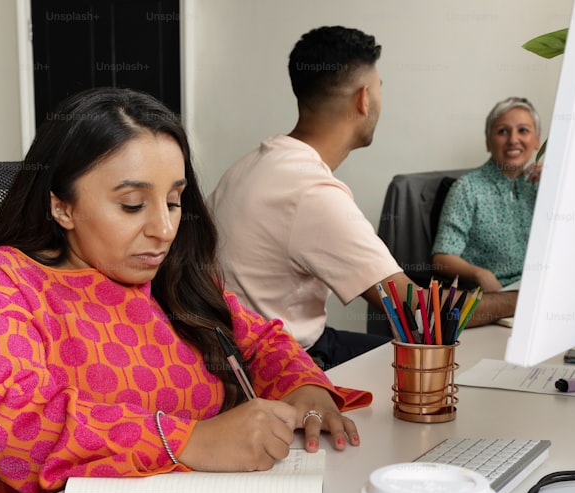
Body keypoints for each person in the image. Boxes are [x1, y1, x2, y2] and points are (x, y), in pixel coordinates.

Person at [0, 87, 372, 493]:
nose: (163, 229)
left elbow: (261, 342)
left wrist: (306, 388)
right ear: (62, 206)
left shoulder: (171, 281)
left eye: (173, 202)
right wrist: (191, 441)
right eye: (133, 205)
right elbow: (11, 422)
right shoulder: (0, 281)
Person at [209, 26, 516, 370]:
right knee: (440, 367)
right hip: (283, 366)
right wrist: (515, 302)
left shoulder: (249, 165)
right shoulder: (312, 193)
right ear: (364, 98)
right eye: (380, 90)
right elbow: (419, 312)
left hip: (240, 353)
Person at [431, 97, 542, 292]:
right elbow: (442, 257)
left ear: (537, 141)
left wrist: (559, 182)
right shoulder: (467, 188)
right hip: (492, 299)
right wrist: (480, 274)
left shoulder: (544, 185)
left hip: (539, 292)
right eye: (502, 132)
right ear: (488, 142)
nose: (513, 140)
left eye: (523, 130)